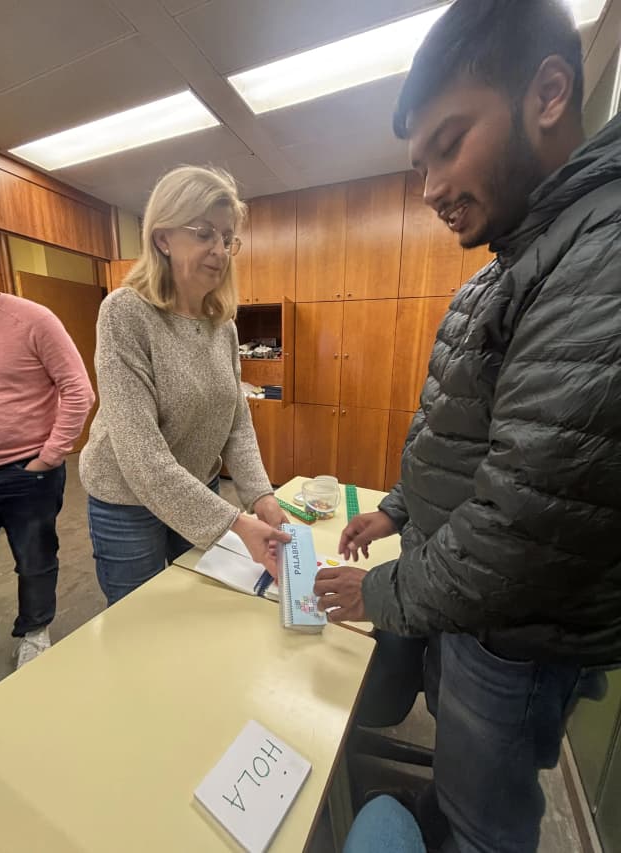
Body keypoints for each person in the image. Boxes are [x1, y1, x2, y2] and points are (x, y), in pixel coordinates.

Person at [314, 1, 621, 851]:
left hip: (516, 631)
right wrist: (403, 508)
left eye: (449, 144)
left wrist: (380, 592)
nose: (431, 189)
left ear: (548, 94)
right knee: (459, 778)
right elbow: (468, 432)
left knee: (488, 820)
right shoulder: (522, 254)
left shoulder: (599, 252)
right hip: (472, 612)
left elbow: (522, 520)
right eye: (420, 164)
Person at [80, 166, 289, 606]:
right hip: (127, 502)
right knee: (140, 618)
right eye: (203, 233)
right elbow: (141, 456)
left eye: (227, 238)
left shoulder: (223, 326)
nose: (219, 250)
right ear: (163, 239)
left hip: (198, 487)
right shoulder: (125, 314)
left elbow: (237, 423)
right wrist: (237, 522)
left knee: (194, 605)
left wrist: (262, 498)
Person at [0, 288, 94, 676]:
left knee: (34, 560)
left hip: (26, 472)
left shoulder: (33, 319)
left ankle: (34, 632)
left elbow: (79, 391)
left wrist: (49, 456)